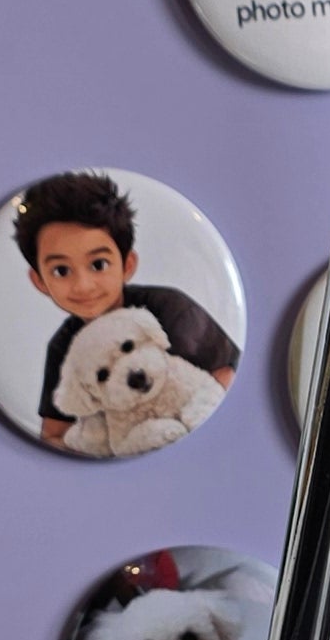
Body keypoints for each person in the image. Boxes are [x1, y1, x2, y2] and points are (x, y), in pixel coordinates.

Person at [13, 174, 240, 445]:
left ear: (128, 264)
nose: (84, 285)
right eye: (61, 271)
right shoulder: (64, 347)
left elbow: (229, 374)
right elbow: (53, 434)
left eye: (98, 264)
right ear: (40, 281)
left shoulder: (171, 309)